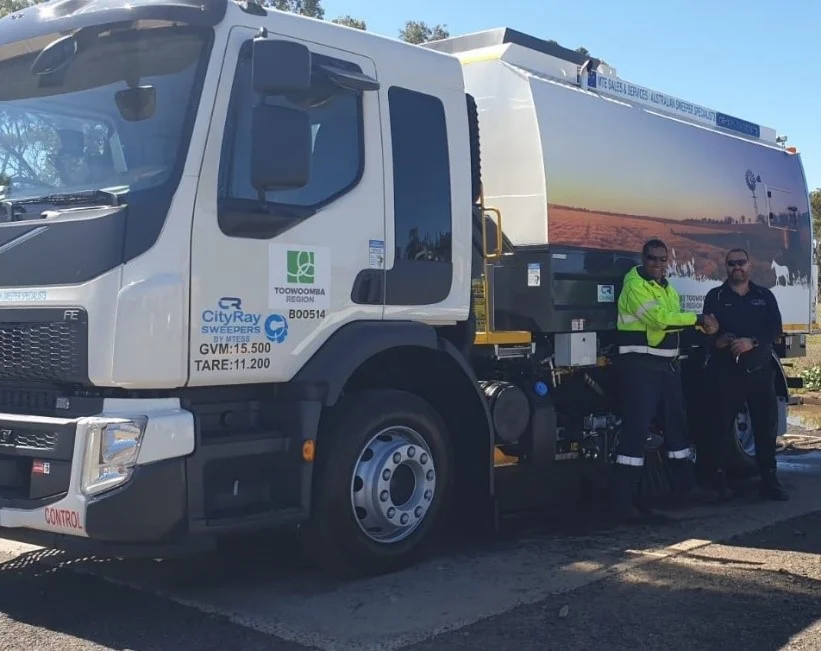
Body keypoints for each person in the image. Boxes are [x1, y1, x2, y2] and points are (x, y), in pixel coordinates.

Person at [611, 239, 720, 522]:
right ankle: (624, 500)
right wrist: (698, 318)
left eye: (662, 259)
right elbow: (660, 320)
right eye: (652, 258)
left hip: (666, 367)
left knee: (676, 427)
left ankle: (685, 487)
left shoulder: (666, 287)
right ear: (642, 257)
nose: (657, 264)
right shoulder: (634, 284)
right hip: (640, 368)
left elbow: (674, 323)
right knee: (636, 429)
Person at [700, 248, 789, 501]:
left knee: (765, 428)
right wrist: (718, 339)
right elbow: (707, 331)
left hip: (759, 373)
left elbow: (774, 329)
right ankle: (718, 483)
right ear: (725, 267)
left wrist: (752, 342)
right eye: (731, 264)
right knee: (719, 427)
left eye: (741, 263)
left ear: (749, 266)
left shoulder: (764, 296)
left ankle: (769, 481)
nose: (736, 267)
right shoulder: (715, 296)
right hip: (727, 373)